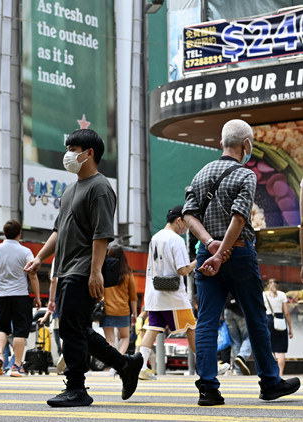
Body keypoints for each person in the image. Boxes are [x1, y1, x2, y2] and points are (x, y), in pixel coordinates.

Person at [182, 119, 299, 406]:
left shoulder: (200, 173)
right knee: (256, 317)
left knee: (207, 320)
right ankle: (270, 382)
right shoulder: (246, 175)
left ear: (221, 143)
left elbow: (188, 214)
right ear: (246, 144)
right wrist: (222, 252)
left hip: (205, 255)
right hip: (238, 253)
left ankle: (208, 388)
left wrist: (210, 245)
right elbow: (239, 217)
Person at [25, 129, 143, 407]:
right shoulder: (70, 189)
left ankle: (77, 388)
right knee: (74, 327)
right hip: (66, 268)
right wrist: (40, 257)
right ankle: (126, 364)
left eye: (73, 148)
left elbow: (102, 234)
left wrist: (95, 272)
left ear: (89, 153)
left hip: (83, 268)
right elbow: (59, 230)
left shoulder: (100, 188)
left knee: (70, 327)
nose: (67, 154)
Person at [139, 206, 197, 381]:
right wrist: (198, 261)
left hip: (155, 293)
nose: (186, 228)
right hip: (173, 296)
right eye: (186, 223)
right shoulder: (176, 239)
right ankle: (207, 363)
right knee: (192, 327)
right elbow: (183, 269)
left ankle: (141, 366)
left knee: (152, 328)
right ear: (179, 220)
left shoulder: (155, 237)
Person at [0, 220, 41, 377]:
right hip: (20, 295)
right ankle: (16, 366)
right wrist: (37, 297)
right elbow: (33, 275)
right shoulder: (26, 252)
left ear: (4, 233)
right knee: (20, 331)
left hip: (1, 295)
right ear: (20, 233)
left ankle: (0, 355)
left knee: (1, 327)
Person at [101, 245, 137, 357]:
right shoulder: (127, 273)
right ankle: (119, 358)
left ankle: (113, 361)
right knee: (125, 337)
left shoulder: (103, 271)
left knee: (110, 340)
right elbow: (133, 296)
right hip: (123, 310)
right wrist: (134, 313)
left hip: (107, 310)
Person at [263, 279, 293, 377]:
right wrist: (290, 328)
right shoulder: (282, 294)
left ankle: (273, 372)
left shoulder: (264, 294)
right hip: (279, 320)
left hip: (268, 320)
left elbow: (261, 310)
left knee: (270, 348)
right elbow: (287, 313)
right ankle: (280, 373)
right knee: (281, 350)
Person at [224, 293, 251, 376]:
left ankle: (239, 371)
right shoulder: (241, 279)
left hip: (227, 310)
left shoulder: (224, 280)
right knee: (249, 337)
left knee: (236, 342)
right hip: (240, 311)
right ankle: (242, 356)